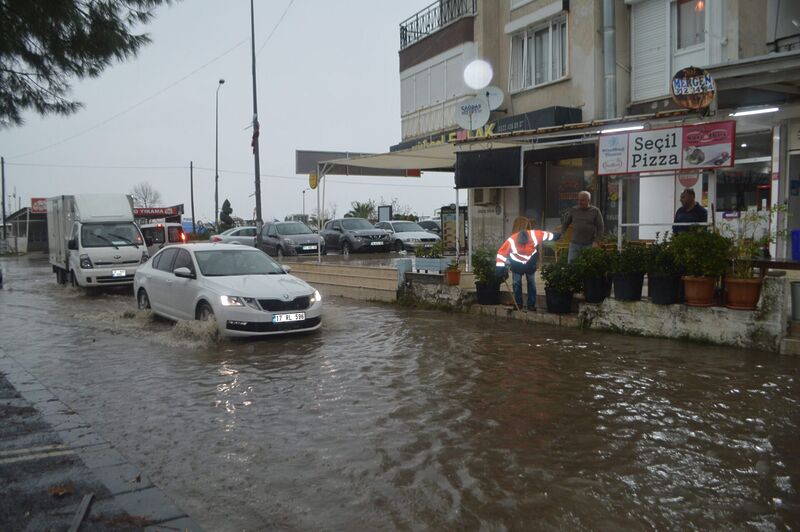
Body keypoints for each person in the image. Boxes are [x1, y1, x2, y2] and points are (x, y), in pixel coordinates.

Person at [495, 216, 559, 311]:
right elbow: (501, 253)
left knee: (531, 284)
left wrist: (554, 236)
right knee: (516, 283)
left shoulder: (534, 235)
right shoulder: (512, 240)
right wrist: (500, 267)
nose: (523, 246)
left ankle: (531, 304)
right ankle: (518, 303)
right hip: (516, 264)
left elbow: (545, 235)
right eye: (521, 244)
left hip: (530, 263)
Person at [562, 190, 605, 263]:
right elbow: (566, 223)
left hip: (589, 244)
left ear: (588, 200)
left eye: (582, 200)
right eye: (578, 200)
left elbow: (600, 227)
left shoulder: (595, 211)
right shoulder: (574, 210)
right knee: (571, 266)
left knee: (587, 266)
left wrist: (596, 241)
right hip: (574, 243)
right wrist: (563, 233)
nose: (580, 202)